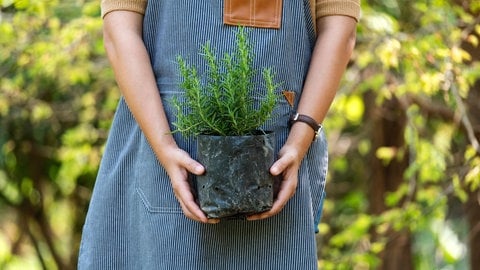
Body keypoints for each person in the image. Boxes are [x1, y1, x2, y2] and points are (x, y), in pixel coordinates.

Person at [78, 0, 359, 269]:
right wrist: (164, 146)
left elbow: (339, 27)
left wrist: (299, 141)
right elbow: (120, 28)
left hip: (278, 162)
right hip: (161, 151)